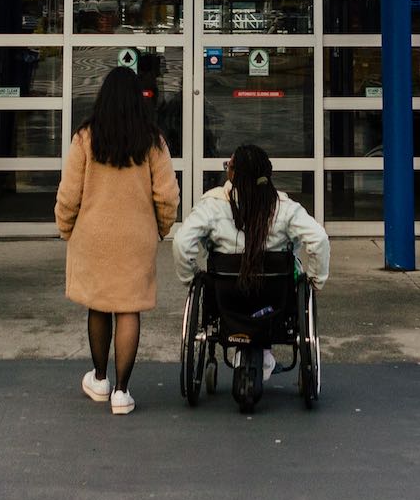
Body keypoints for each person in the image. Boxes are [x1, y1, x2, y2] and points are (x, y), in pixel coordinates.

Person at [55, 64, 179, 415]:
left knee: (99, 305)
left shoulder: (85, 138)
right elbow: (167, 196)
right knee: (128, 309)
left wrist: (66, 228)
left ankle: (99, 378)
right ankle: (122, 392)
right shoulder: (152, 141)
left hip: (93, 236)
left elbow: (69, 194)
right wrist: (161, 228)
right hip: (136, 237)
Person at [173, 143, 330, 392]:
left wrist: (190, 277)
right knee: (293, 272)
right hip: (275, 299)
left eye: (229, 166)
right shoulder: (285, 208)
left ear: (232, 174)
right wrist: (315, 280)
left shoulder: (212, 206)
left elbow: (182, 242)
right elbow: (319, 240)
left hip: (227, 297)